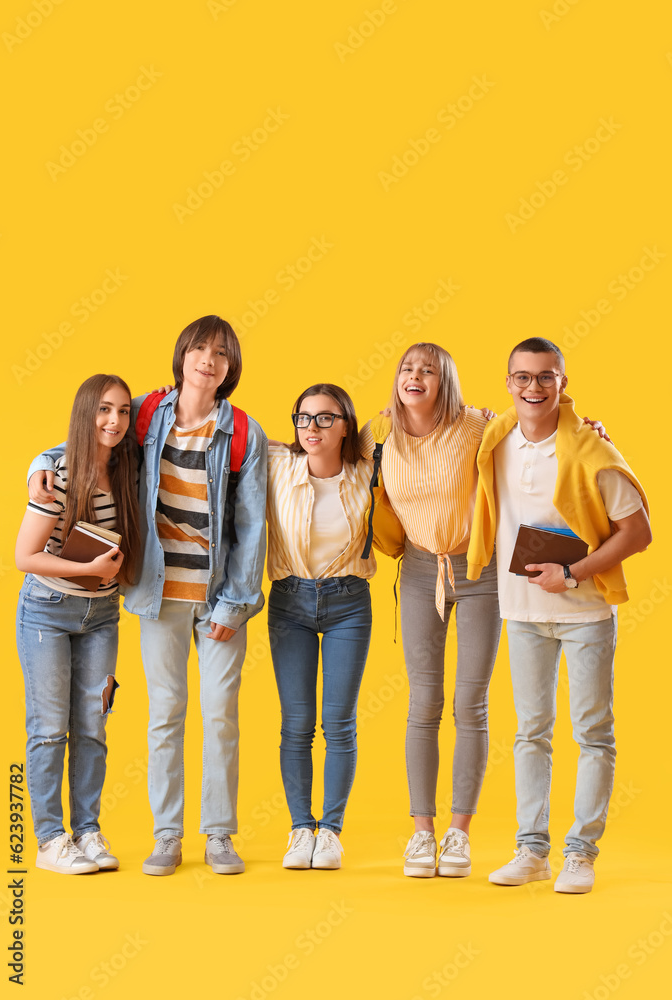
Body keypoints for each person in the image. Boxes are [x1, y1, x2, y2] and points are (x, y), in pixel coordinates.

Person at [27, 316, 267, 877]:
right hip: (158, 593)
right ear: (182, 355)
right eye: (199, 349)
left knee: (220, 715)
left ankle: (219, 836)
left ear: (230, 369)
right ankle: (167, 834)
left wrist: (236, 603)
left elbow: (252, 528)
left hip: (217, 598)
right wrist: (40, 462)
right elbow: (91, 434)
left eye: (221, 354)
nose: (209, 360)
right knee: (165, 714)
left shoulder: (243, 433)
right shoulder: (145, 413)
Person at [468, 337, 650, 893]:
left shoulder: (592, 450)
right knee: (530, 733)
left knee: (593, 733)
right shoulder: (494, 440)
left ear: (563, 383)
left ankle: (581, 853)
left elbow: (638, 532)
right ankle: (531, 850)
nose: (534, 387)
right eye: (523, 377)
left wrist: (571, 575)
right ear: (507, 383)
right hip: (520, 612)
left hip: (585, 613)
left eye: (546, 377)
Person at [360, 343, 502, 879]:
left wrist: (592, 428)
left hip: (480, 569)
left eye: (428, 370)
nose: (414, 376)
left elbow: (542, 435)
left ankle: (458, 834)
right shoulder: (378, 432)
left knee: (471, 703)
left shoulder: (478, 425)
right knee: (424, 702)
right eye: (406, 368)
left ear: (445, 382)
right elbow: (316, 443)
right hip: (420, 571)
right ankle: (421, 833)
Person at [16, 374, 140, 874]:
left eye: (124, 411)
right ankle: (50, 841)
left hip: (102, 617)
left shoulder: (128, 468)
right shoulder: (58, 472)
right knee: (49, 729)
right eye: (104, 409)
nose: (114, 421)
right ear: (86, 411)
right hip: (48, 612)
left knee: (93, 726)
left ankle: (87, 831)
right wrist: (88, 570)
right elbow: (25, 556)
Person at [267, 384, 374, 870]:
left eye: (326, 418)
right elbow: (212, 425)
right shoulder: (276, 464)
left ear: (346, 425)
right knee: (296, 724)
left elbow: (416, 428)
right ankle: (299, 829)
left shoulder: (368, 468)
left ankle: (330, 831)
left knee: (339, 722)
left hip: (348, 602)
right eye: (303, 418)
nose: (311, 428)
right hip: (289, 601)